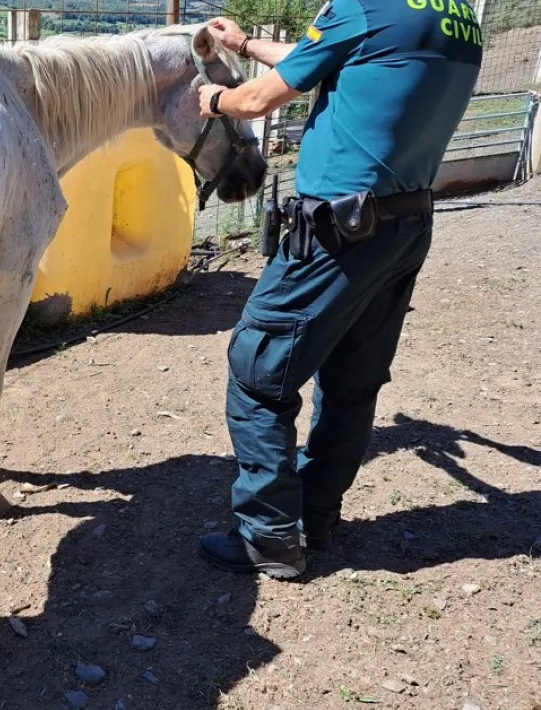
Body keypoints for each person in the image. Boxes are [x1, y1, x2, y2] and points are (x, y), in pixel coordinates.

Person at [193, 2, 483, 578]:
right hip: (404, 224)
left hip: (338, 231)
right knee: (353, 380)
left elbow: (258, 100)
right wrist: (247, 46)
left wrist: (215, 100)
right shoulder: (457, 18)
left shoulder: (364, 6)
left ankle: (269, 537)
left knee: (259, 372)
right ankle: (315, 520)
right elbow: (337, 61)